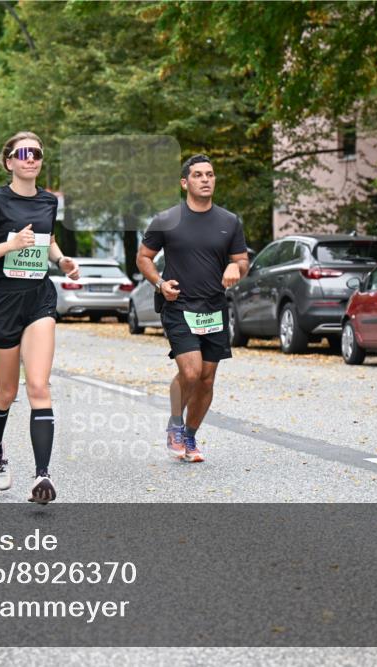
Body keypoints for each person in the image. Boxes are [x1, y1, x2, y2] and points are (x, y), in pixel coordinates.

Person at [0, 131, 80, 504]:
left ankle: (42, 476)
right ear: (9, 161)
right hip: (1, 303)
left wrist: (60, 260)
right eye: (23, 153)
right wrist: (10, 246)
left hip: (38, 301)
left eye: (37, 153)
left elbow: (46, 241)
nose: (31, 158)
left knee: (39, 387)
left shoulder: (48, 201)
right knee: (7, 391)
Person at [136, 154, 249, 463]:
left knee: (207, 379)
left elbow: (242, 261)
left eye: (210, 174)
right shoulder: (166, 220)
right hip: (179, 305)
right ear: (185, 182)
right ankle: (174, 424)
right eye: (198, 175)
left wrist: (234, 268)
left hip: (214, 308)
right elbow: (143, 257)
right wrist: (160, 283)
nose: (205, 179)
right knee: (191, 371)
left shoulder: (229, 221)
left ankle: (190, 434)